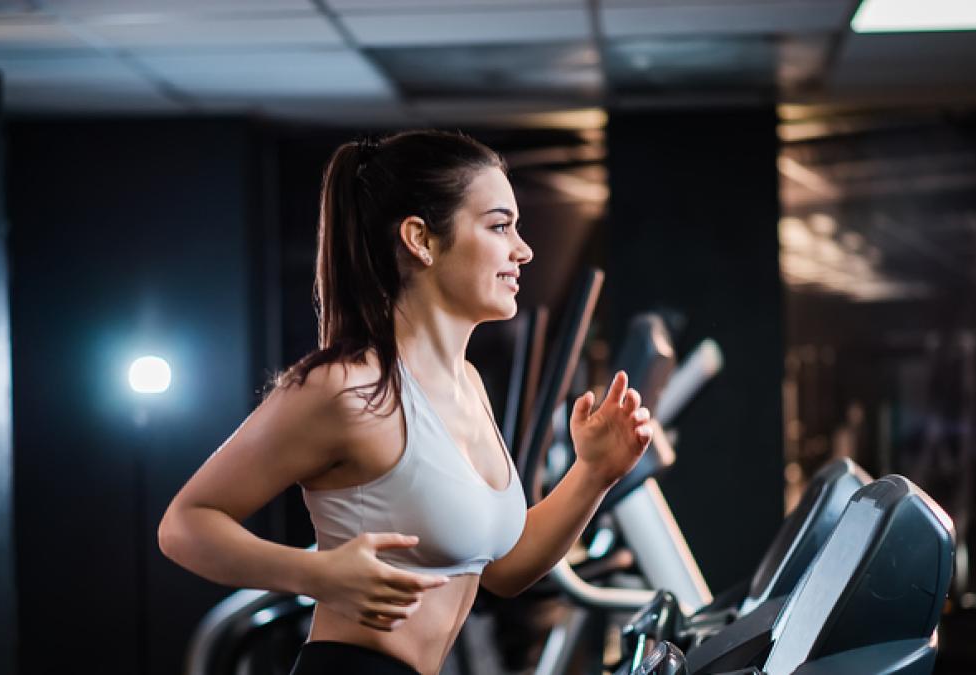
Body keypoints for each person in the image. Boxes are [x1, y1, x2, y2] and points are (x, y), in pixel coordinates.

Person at [158, 129, 654, 675]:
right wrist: (315, 573)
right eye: (499, 226)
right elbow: (186, 523)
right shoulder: (347, 388)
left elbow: (504, 571)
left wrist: (594, 473)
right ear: (421, 239)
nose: (524, 249)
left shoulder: (467, 383)